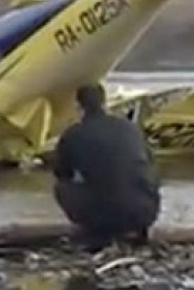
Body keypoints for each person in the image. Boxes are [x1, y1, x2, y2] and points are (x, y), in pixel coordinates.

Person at [53, 83, 161, 251]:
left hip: (103, 217)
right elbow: (150, 162)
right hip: (145, 212)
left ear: (78, 106)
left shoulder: (73, 134)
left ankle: (93, 229)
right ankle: (138, 230)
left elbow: (61, 172)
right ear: (105, 103)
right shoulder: (130, 128)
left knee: (61, 187)